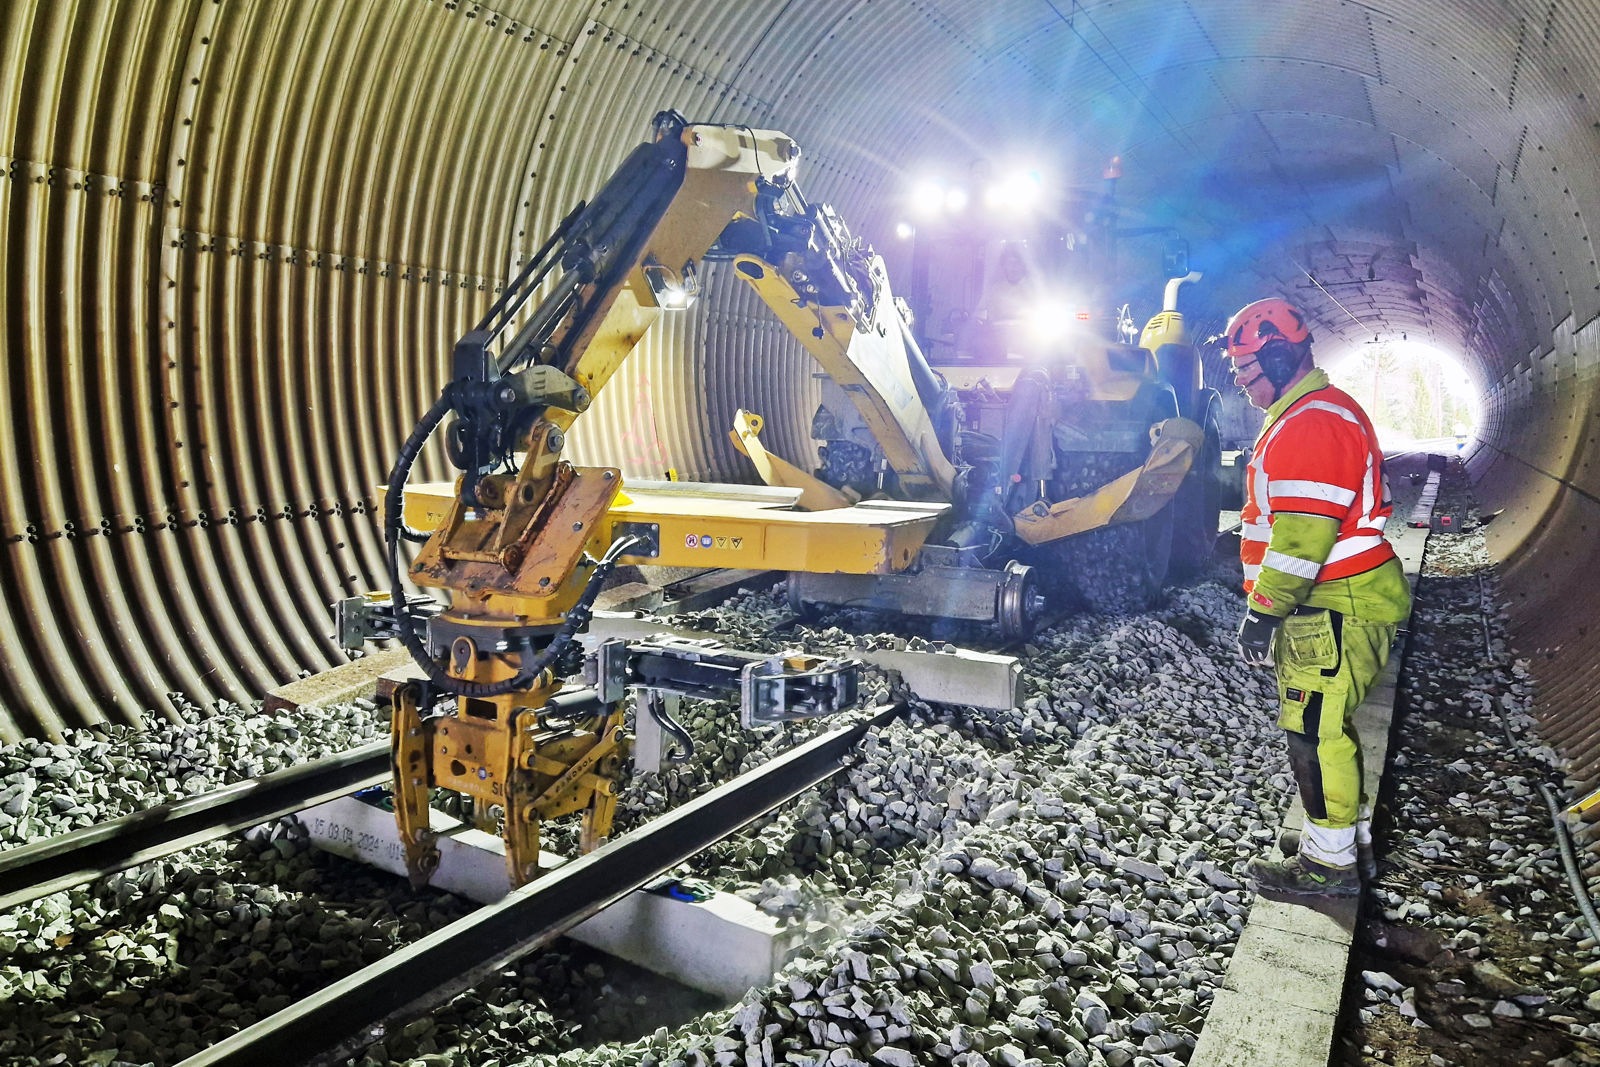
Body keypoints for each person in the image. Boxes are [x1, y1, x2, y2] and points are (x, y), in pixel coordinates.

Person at [1225, 298, 1412, 897]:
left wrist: (1263, 611)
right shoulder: (1307, 412)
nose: (1241, 381)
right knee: (1325, 724)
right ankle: (1340, 840)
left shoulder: (1310, 422)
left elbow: (1301, 539)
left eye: (1247, 369)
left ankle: (1327, 869)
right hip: (1338, 599)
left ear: (1280, 357)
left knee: (1315, 728)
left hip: (1334, 602)